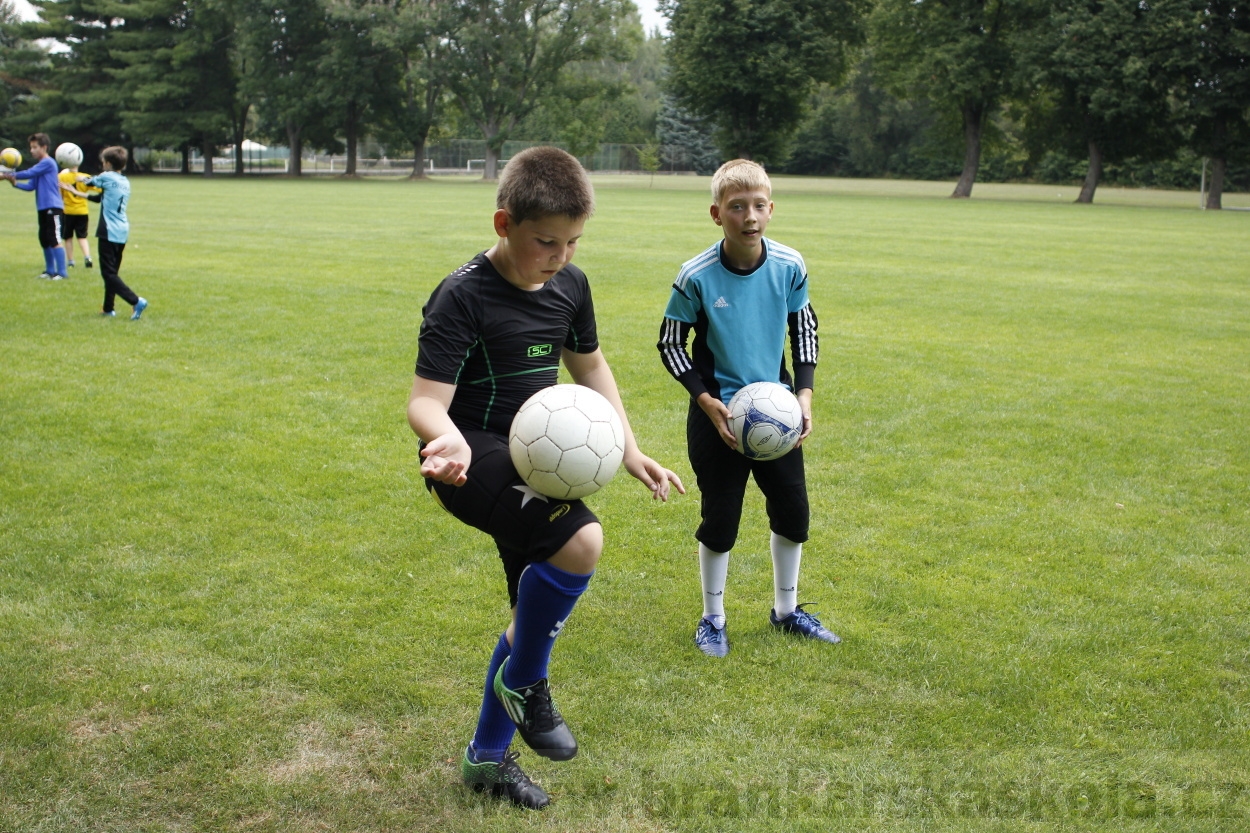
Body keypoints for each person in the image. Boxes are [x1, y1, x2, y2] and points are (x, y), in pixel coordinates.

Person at [407, 146, 684, 809]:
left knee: (525, 616)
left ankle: (485, 762)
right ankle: (527, 684)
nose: (560, 255)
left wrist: (628, 448)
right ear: (504, 224)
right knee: (581, 542)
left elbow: (589, 367)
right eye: (546, 242)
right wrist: (444, 440)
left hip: (538, 454)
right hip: (469, 456)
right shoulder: (462, 293)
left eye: (573, 241)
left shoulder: (571, 284)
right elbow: (424, 399)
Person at [657, 159, 840, 659]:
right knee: (720, 520)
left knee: (794, 513)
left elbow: (804, 328)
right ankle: (712, 618)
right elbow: (671, 343)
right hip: (719, 420)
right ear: (717, 214)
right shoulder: (695, 276)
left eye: (759, 205)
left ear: (771, 209)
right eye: (737, 207)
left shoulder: (789, 265)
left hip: (777, 416)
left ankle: (787, 610)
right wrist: (706, 400)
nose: (749, 216)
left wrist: (803, 393)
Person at [83, 147, 148, 320]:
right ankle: (108, 308)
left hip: (108, 231)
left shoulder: (106, 176)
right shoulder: (125, 181)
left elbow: (88, 182)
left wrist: (74, 175)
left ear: (108, 164)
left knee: (108, 273)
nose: (102, 164)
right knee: (112, 273)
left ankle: (135, 300)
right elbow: (102, 198)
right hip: (122, 230)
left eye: (103, 161)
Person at [1, 133, 67, 280]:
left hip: (53, 206)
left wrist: (6, 173)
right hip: (42, 207)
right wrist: (14, 183)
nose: (32, 151)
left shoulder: (48, 163)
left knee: (54, 238)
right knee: (44, 238)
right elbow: (31, 186)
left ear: (44, 147)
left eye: (35, 147)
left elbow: (29, 173)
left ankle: (62, 273)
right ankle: (50, 271)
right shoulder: (39, 166)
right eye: (31, 148)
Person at [59, 156, 98, 269]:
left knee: (68, 237)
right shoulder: (84, 177)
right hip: (82, 211)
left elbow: (59, 194)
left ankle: (71, 261)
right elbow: (99, 188)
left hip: (68, 211)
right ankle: (87, 257)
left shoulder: (61, 177)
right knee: (82, 237)